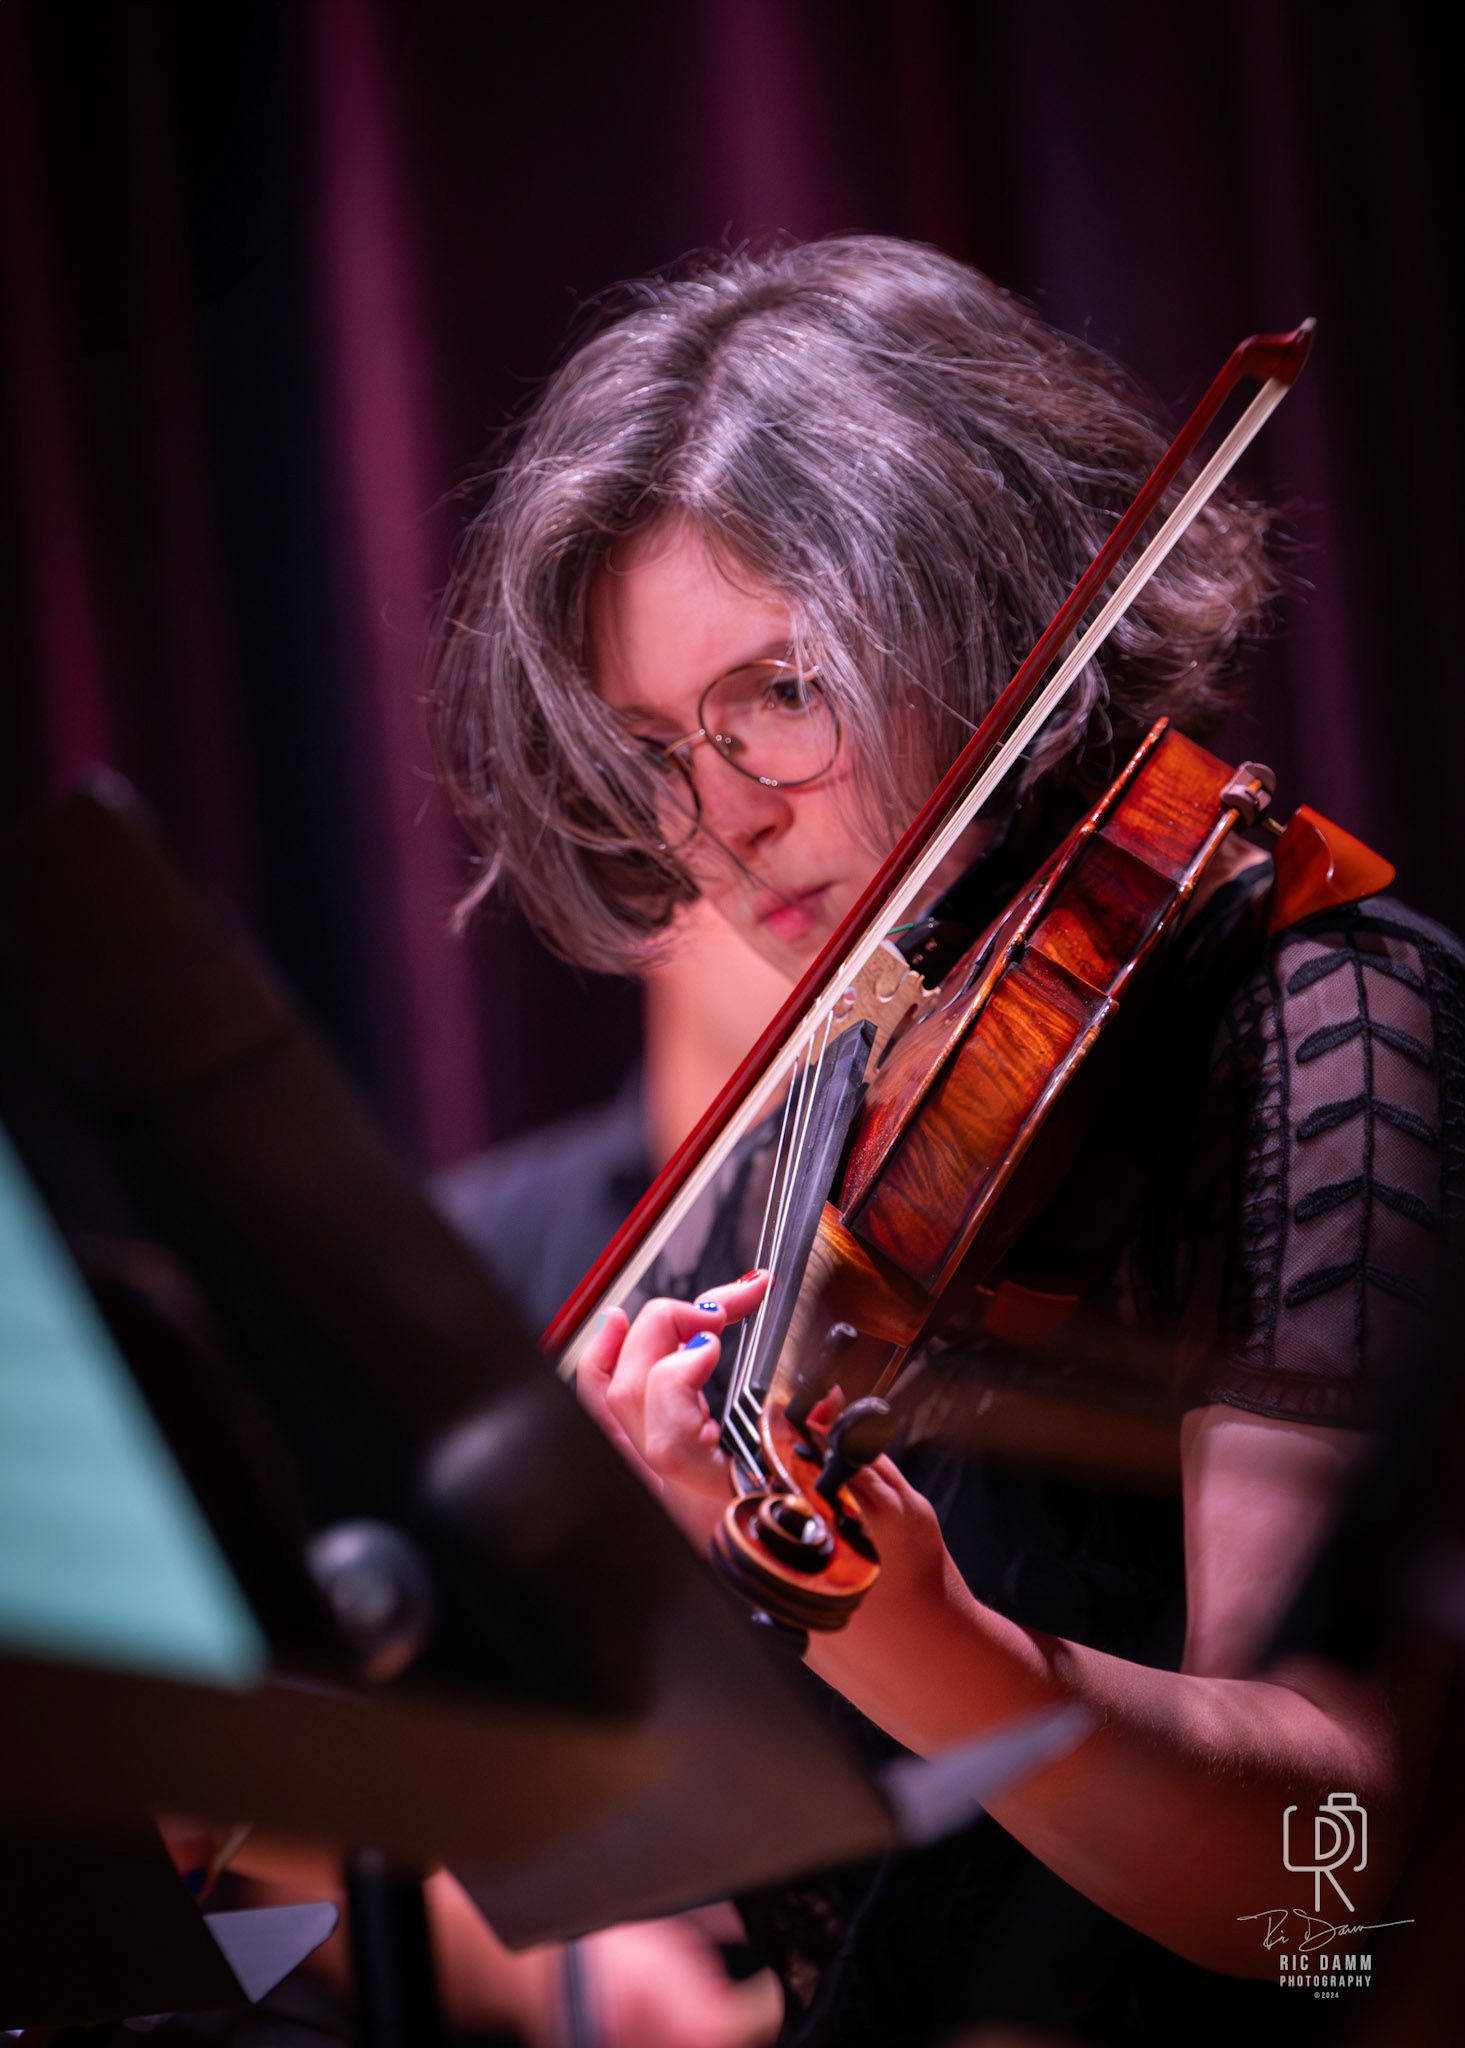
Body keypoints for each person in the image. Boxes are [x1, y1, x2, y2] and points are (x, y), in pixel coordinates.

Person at [431, 237, 1460, 2045]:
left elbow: (1327, 1893)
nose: (720, 819)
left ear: (979, 609)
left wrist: (903, 1633)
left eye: (782, 693)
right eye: (659, 750)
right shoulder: (850, 1109)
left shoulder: (1320, 1031)